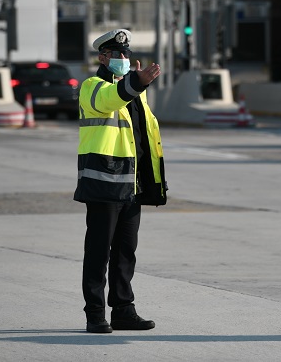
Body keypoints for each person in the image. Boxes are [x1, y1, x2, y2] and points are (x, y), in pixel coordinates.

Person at [74, 28, 167, 334]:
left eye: (126, 54)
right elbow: (109, 100)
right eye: (117, 54)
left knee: (126, 251)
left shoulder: (136, 94)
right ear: (103, 57)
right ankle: (95, 313)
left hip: (132, 184)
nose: (124, 58)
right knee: (99, 251)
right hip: (104, 183)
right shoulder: (93, 86)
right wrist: (135, 84)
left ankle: (124, 310)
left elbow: (143, 138)